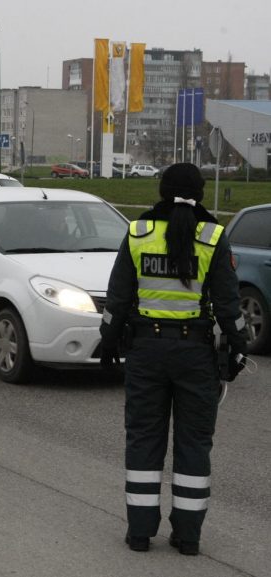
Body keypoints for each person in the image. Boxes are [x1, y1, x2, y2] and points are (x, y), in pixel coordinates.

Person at [100, 163, 248, 556]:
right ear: (199, 193)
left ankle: (139, 534)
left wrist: (107, 342)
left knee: (144, 439)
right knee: (193, 443)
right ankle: (188, 538)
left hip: (146, 352)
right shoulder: (214, 237)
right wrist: (238, 346)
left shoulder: (138, 234)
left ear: (163, 191)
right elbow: (229, 306)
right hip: (195, 354)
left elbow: (116, 300)